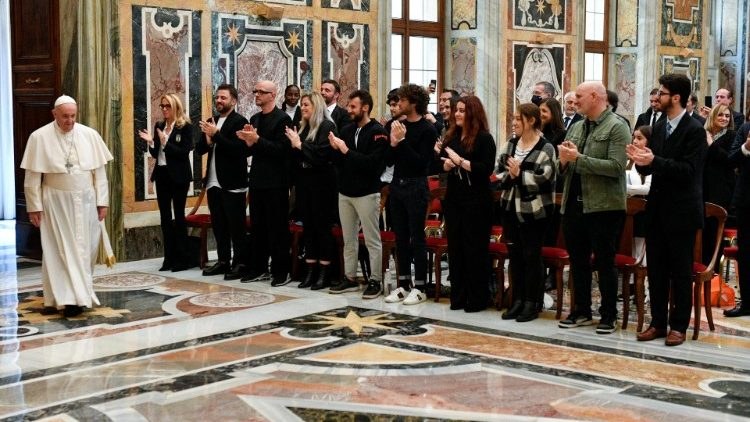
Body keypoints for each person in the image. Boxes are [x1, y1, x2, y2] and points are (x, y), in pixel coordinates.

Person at [628, 73, 708, 346]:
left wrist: (654, 160)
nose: (657, 97)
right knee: (657, 269)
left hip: (682, 212)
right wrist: (640, 161)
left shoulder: (695, 129)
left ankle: (678, 326)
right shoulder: (660, 125)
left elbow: (688, 171)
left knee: (680, 271)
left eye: (662, 93)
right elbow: (653, 165)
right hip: (658, 209)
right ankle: (657, 322)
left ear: (676, 97)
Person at [21, 95, 113, 318]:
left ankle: (79, 295)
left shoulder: (90, 135)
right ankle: (65, 300)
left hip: (87, 200)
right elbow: (33, 177)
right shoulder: (39, 137)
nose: (69, 121)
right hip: (55, 202)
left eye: (73, 116)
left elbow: (99, 174)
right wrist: (34, 206)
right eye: (65, 116)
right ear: (54, 114)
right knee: (58, 250)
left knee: (85, 249)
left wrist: (103, 202)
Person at [557, 81, 629, 335]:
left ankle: (609, 314)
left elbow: (617, 167)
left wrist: (579, 159)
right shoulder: (576, 127)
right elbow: (562, 167)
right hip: (574, 204)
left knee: (605, 261)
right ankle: (581, 309)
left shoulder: (617, 127)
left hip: (604, 206)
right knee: (577, 261)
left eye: (579, 96)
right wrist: (564, 163)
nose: (575, 101)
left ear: (595, 97)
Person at [433, 96, 497, 312]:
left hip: (477, 201)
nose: (457, 114)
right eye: (456, 110)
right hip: (455, 200)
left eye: (462, 110)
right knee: (456, 249)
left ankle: (477, 298)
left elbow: (485, 169)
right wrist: (447, 164)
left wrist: (460, 162)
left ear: (472, 113)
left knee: (474, 250)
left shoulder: (484, 138)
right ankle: (458, 296)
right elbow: (440, 164)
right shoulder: (451, 137)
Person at [496, 103, 556, 321]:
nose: (514, 123)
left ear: (531, 121)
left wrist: (518, 175)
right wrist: (510, 175)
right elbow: (498, 173)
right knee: (515, 255)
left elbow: (545, 179)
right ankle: (517, 299)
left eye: (518, 119)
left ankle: (532, 302)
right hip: (510, 208)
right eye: (513, 119)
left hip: (535, 212)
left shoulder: (545, 148)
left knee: (532, 256)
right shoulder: (510, 145)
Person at [329, 89, 389, 298]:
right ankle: (350, 278)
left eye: (353, 106)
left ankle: (375, 280)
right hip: (345, 192)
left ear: (365, 107)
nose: (349, 110)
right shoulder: (346, 130)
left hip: (367, 193)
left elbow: (373, 165)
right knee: (349, 239)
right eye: (348, 106)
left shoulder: (378, 132)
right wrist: (334, 150)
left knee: (372, 239)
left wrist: (346, 151)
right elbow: (339, 163)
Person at [383, 84, 438, 305]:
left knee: (417, 236)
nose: (398, 105)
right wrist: (393, 144)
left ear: (413, 103)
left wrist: (402, 142)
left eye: (402, 101)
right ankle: (403, 284)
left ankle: (421, 286)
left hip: (416, 184)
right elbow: (388, 159)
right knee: (400, 236)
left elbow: (421, 163)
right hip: (397, 184)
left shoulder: (427, 130)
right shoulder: (394, 125)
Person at [237, 80, 294, 287]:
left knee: (277, 228)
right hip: (258, 180)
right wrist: (247, 141)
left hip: (277, 182)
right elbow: (251, 151)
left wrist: (257, 140)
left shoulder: (283, 119)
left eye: (261, 92)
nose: (257, 94)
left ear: (273, 94)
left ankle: (281, 271)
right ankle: (258, 267)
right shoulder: (255, 118)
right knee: (258, 226)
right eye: (256, 91)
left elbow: (282, 150)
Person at [284, 92, 337, 290]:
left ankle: (324, 273)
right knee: (308, 228)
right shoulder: (304, 128)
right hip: (305, 183)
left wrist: (300, 145)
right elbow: (298, 158)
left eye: (306, 105)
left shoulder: (327, 126)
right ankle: (310, 270)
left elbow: (322, 156)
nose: (303, 108)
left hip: (322, 185)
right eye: (302, 105)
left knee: (322, 228)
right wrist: (294, 146)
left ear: (316, 106)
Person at [196, 84, 250, 280]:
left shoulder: (240, 121)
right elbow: (200, 149)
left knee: (236, 225)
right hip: (213, 182)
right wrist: (208, 140)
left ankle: (240, 263)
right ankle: (223, 260)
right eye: (217, 98)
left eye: (223, 98)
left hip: (232, 181)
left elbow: (239, 150)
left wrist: (217, 135)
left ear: (233, 101)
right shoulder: (212, 120)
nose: (219, 101)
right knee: (219, 225)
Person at [138, 94, 195, 272]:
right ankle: (168, 258)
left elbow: (184, 151)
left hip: (179, 176)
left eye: (167, 106)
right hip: (162, 174)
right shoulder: (159, 125)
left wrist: (165, 142)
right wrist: (151, 143)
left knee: (178, 216)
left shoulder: (185, 126)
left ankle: (182, 258)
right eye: (162, 106)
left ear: (175, 107)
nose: (164, 109)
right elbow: (157, 154)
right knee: (164, 218)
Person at [702, 104, 737, 264]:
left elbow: (729, 160)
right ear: (713, 117)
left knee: (714, 231)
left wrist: (711, 144)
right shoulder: (703, 133)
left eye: (727, 116)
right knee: (702, 231)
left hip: (721, 190)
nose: (724, 118)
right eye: (720, 115)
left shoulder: (732, 136)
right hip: (703, 187)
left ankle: (713, 270)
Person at [726, 121, 750, 317]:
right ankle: (747, 303)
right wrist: (746, 148)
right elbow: (731, 160)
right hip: (747, 201)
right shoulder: (745, 129)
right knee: (746, 253)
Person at [626, 126, 653, 264]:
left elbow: (648, 188)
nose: (635, 141)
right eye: (634, 137)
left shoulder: (651, 161)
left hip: (643, 211)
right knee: (628, 244)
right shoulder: (629, 161)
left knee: (640, 246)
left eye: (640, 138)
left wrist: (628, 188)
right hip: (628, 210)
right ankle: (630, 278)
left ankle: (641, 275)